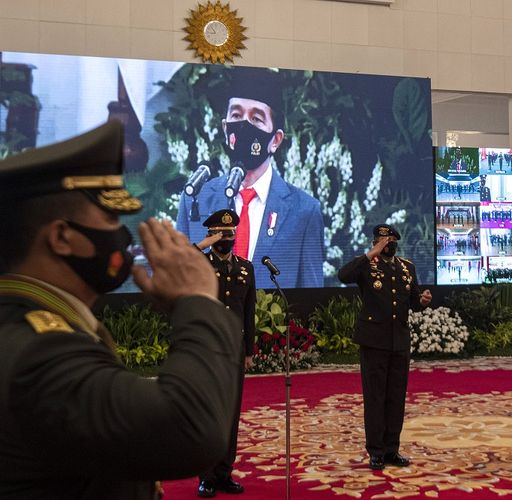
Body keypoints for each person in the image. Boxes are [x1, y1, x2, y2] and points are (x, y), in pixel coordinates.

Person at [0, 121, 243, 499]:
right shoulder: (39, 353)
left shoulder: (31, 326)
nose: (123, 235)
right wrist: (196, 299)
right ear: (62, 237)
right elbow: (190, 430)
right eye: (111, 220)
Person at [176, 67, 324, 289]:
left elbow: (312, 297)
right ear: (226, 129)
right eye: (236, 115)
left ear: (275, 140)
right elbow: (178, 282)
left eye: (256, 118)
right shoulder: (195, 199)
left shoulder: (304, 211)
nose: (244, 126)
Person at [338, 224, 432, 470]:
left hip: (399, 341)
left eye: (390, 240)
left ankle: (392, 449)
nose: (387, 243)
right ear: (374, 242)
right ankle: (376, 451)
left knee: (396, 398)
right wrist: (370, 254)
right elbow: (343, 276)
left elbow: (413, 300)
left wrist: (422, 301)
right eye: (382, 240)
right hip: (374, 340)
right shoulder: (366, 266)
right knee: (375, 397)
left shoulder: (406, 267)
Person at [194, 209, 256, 498]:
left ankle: (224, 473)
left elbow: (249, 313)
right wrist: (203, 245)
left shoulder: (245, 268)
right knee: (209, 413)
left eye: (229, 234)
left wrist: (249, 350)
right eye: (219, 234)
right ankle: (206, 475)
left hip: (234, 350)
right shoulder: (200, 265)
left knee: (230, 414)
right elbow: (181, 262)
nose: (225, 239)